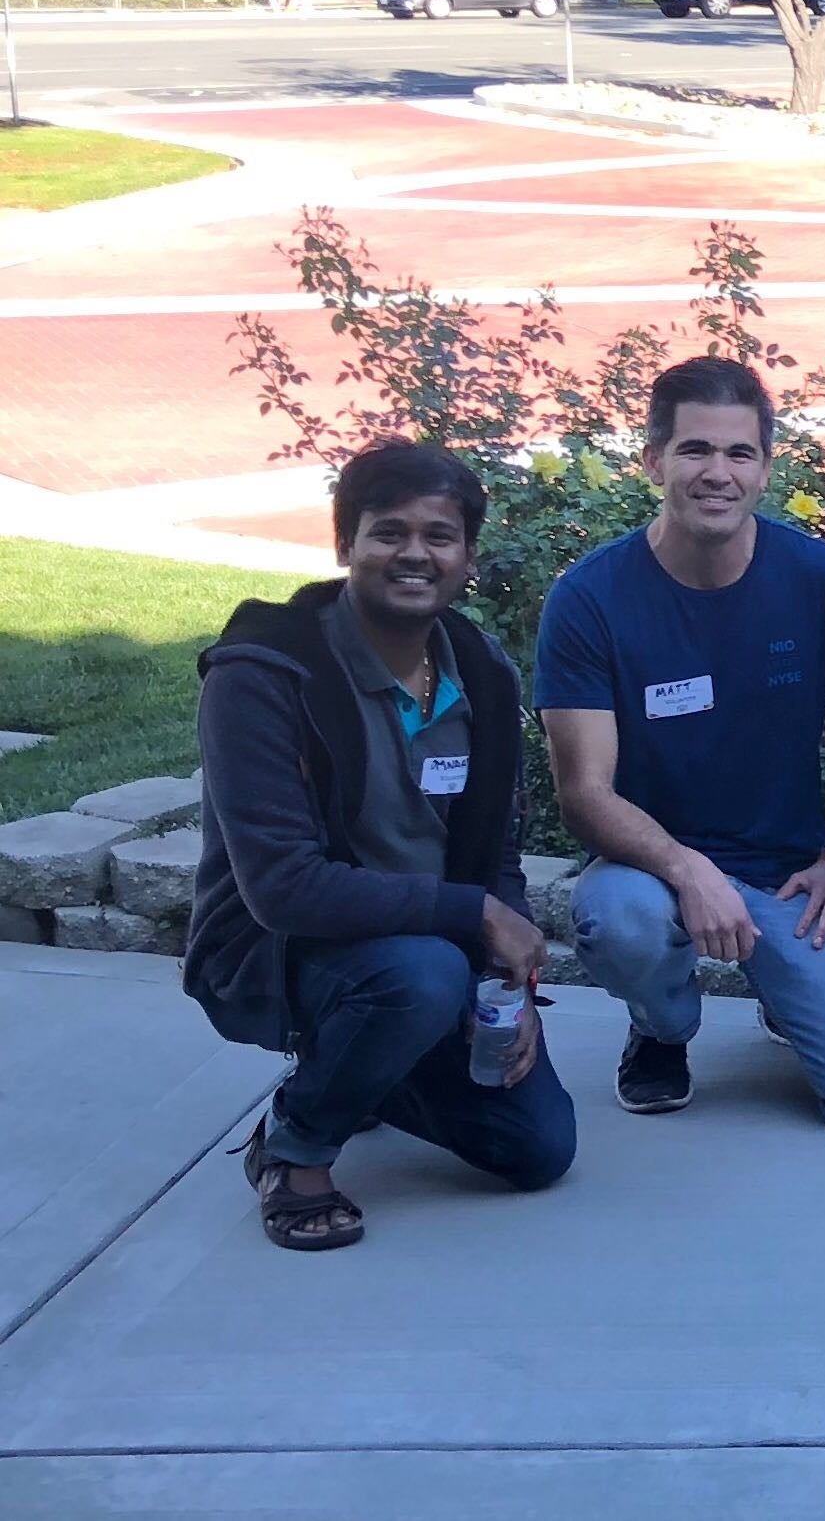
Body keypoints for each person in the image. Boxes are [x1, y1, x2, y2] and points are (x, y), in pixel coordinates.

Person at [187, 441, 573, 1251]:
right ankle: (293, 1151)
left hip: (427, 951)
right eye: (388, 532)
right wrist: (470, 920)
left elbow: (494, 852)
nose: (414, 554)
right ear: (346, 546)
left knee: (536, 1149)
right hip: (282, 947)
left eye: (440, 536)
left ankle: (368, 1069)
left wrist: (512, 989)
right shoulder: (263, 672)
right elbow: (283, 887)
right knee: (420, 975)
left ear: (467, 557)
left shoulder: (482, 673)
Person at [537, 357, 825, 1126]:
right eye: (695, 450)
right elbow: (585, 792)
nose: (719, 472)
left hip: (789, 877)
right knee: (619, 918)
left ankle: (791, 995)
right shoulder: (590, 599)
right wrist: (687, 871)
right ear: (654, 461)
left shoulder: (816, 578)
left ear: (766, 469)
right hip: (651, 874)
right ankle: (662, 1028)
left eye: (739, 453)